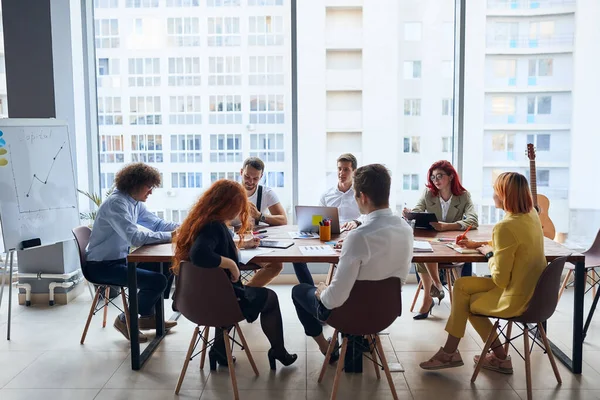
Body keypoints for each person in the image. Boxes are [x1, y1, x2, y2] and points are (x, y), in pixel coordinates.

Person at [419, 172, 546, 374]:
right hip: (533, 290)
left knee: (465, 301)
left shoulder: (506, 226)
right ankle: (497, 357)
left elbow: (500, 279)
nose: (493, 196)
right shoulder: (530, 216)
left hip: (515, 295)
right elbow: (512, 245)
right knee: (461, 286)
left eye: (496, 191)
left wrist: (488, 255)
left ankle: (451, 352)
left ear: (506, 195)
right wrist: (478, 245)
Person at [172, 179, 297, 370]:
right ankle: (278, 351)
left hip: (194, 300)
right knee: (269, 298)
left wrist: (238, 248)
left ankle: (220, 351)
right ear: (228, 205)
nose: (240, 212)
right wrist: (231, 263)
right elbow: (200, 254)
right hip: (218, 300)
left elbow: (209, 249)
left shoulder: (202, 222)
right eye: (238, 207)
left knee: (231, 296)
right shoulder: (214, 226)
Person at [292, 164, 413, 360]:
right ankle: (356, 343)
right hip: (386, 313)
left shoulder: (359, 237)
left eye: (355, 195)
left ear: (363, 196)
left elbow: (333, 300)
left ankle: (326, 347)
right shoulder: (406, 229)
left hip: (351, 316)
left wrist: (321, 290)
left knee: (299, 291)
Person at [85, 163, 178, 343]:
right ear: (134, 184)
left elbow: (157, 224)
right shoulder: (116, 203)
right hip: (101, 266)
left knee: (166, 265)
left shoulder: (133, 202)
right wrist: (171, 236)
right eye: (148, 187)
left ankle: (147, 317)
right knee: (157, 280)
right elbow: (134, 237)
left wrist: (185, 228)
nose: (150, 192)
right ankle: (125, 320)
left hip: (120, 261)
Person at [402, 160, 478, 320]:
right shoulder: (428, 193)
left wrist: (447, 226)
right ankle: (436, 286)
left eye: (439, 176)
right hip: (432, 242)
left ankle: (429, 297)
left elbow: (473, 220)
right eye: (433, 177)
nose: (435, 180)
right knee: (422, 249)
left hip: (452, 243)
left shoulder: (463, 196)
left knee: (426, 250)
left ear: (450, 176)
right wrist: (410, 213)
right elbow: (417, 211)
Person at [238, 157, 313, 286]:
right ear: (241, 172)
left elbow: (283, 220)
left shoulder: (266, 193)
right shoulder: (230, 192)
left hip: (253, 242)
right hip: (234, 242)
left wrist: (260, 216)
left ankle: (245, 293)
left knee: (276, 265)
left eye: (255, 178)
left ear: (261, 176)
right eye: (247, 176)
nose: (250, 181)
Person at [319, 153, 363, 231]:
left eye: (346, 169)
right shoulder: (326, 195)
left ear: (354, 172)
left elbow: (369, 215)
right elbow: (318, 217)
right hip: (331, 235)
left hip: (354, 234)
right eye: (339, 169)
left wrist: (356, 222)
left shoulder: (361, 194)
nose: (341, 173)